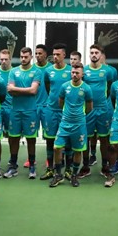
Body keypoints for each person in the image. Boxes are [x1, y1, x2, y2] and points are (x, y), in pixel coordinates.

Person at [50, 64, 93, 188]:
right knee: (57, 147)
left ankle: (74, 175)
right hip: (64, 123)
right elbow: (61, 102)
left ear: (82, 74)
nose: (74, 74)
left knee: (77, 150)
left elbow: (90, 106)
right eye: (73, 72)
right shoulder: (64, 86)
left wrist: (80, 115)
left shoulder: (86, 88)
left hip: (79, 124)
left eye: (77, 73)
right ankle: (58, 175)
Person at [5, 47, 43, 178]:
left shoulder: (36, 72)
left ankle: (32, 166)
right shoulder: (13, 71)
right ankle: (13, 166)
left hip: (30, 111)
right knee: (13, 138)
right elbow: (9, 91)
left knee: (31, 139)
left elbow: (33, 91)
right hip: (15, 110)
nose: (23, 59)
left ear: (31, 57)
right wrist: (24, 90)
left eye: (26, 57)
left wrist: (16, 89)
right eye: (21, 56)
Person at [81, 44, 117, 177]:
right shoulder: (84, 70)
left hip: (103, 110)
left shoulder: (107, 71)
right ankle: (85, 166)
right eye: (92, 52)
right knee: (87, 138)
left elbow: (109, 88)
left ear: (101, 55)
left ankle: (105, 166)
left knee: (104, 139)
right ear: (89, 55)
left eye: (96, 52)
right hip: (88, 110)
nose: (94, 55)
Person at [41, 43, 71, 181]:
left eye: (58, 54)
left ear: (64, 55)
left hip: (66, 112)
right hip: (51, 110)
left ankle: (68, 170)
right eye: (54, 54)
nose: (55, 57)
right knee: (50, 140)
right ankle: (50, 169)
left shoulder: (71, 71)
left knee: (67, 140)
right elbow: (48, 87)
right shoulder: (48, 71)